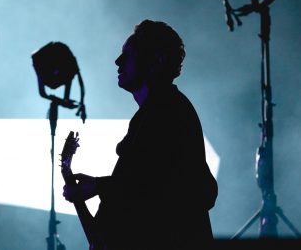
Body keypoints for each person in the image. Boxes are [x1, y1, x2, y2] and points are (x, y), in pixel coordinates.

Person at [63, 19, 218, 250]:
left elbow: (177, 187)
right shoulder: (154, 113)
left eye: (129, 54)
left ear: (156, 61)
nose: (118, 62)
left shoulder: (169, 111)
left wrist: (99, 187)